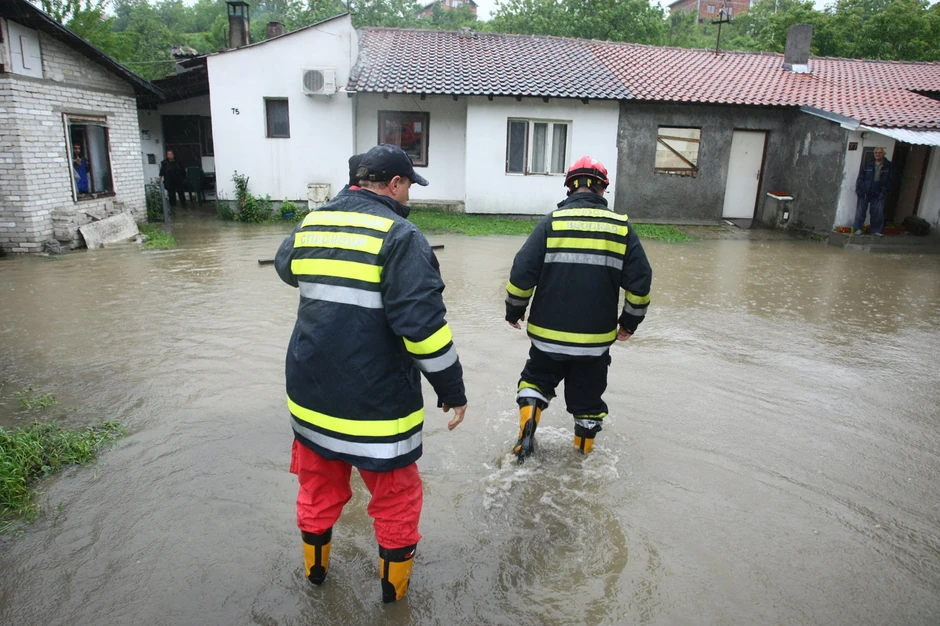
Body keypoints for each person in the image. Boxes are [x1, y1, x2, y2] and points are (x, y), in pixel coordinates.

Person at [274, 144, 468, 603]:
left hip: (310, 396)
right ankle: (392, 601)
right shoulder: (401, 237)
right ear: (396, 184)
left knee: (318, 487)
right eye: (409, 188)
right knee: (396, 499)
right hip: (376, 404)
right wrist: (452, 389)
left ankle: (317, 579)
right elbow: (422, 329)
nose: (409, 199)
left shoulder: (312, 222)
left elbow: (287, 269)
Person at [504, 156, 652, 463]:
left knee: (535, 381)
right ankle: (580, 462)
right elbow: (640, 282)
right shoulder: (622, 229)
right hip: (594, 344)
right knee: (587, 402)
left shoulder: (552, 222)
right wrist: (629, 323)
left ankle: (525, 437)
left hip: (547, 338)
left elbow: (522, 271)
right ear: (602, 189)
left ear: (570, 188)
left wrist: (514, 310)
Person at [854, 147, 893, 237]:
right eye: (876, 153)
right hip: (865, 191)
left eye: (880, 153)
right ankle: (858, 229)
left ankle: (876, 230)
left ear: (884, 154)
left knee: (877, 212)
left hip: (879, 192)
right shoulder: (868, 164)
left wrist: (883, 192)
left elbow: (889, 181)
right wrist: (859, 189)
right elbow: (860, 178)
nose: (877, 154)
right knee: (860, 211)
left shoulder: (888, 166)